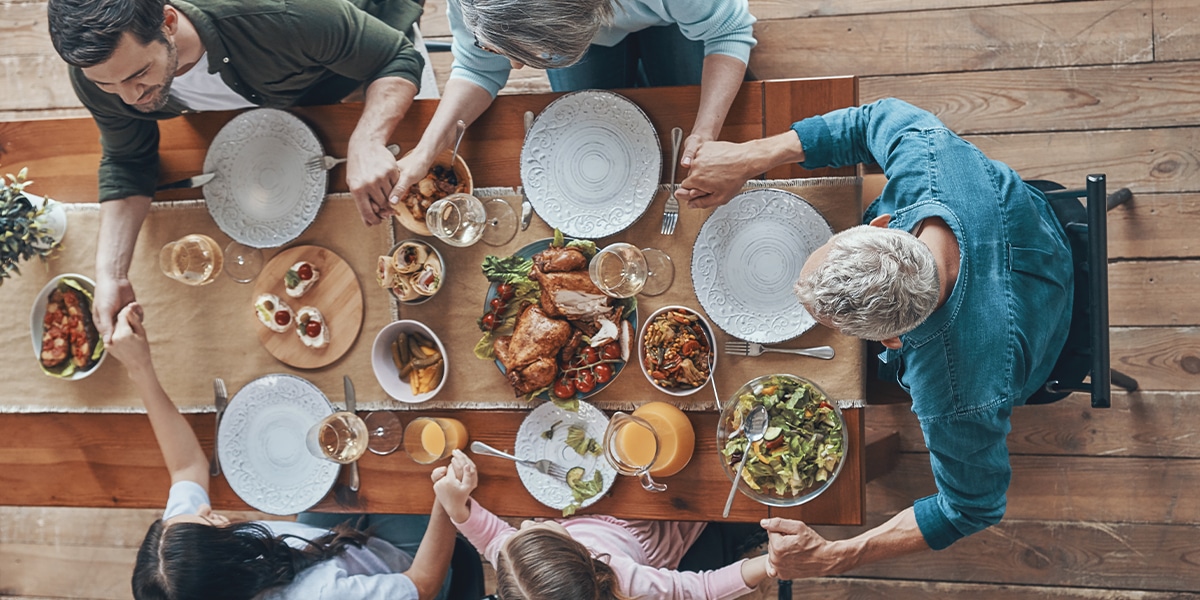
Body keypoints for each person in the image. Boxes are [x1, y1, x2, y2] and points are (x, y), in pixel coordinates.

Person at [676, 98, 1074, 577]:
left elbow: (972, 507)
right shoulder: (933, 165)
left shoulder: (954, 395)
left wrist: (838, 556)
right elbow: (872, 118)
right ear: (882, 227)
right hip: (1041, 230)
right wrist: (751, 156)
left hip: (1041, 346)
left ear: (892, 343)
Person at [46, 0, 428, 345]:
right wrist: (111, 273)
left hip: (362, 59)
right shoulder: (99, 71)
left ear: (168, 22)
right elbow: (128, 160)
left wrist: (366, 139)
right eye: (106, 85)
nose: (130, 99)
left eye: (139, 74)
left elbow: (397, 56)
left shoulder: (279, 14)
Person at [105, 303, 459, 600]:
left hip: (316, 548)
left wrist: (140, 368)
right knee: (422, 453)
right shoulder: (319, 594)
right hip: (407, 564)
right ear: (227, 565)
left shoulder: (182, 570)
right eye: (210, 523)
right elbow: (423, 584)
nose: (205, 508)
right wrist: (445, 500)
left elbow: (186, 468)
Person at [388, 0, 757, 210]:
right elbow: (475, 67)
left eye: (523, 53)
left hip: (670, 13)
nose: (514, 67)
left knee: (687, 97)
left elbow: (727, 31)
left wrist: (705, 131)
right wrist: (427, 149)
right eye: (502, 49)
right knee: (590, 124)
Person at [431, 450, 771, 599]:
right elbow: (701, 590)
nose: (523, 525)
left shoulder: (525, 576)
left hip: (601, 506)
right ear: (581, 553)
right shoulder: (626, 580)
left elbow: (495, 542)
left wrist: (458, 508)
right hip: (661, 520)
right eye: (536, 528)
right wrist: (768, 564)